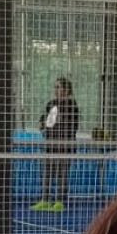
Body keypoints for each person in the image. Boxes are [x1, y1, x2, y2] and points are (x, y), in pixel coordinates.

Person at [33, 76, 80, 212]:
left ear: (66, 90)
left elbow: (70, 125)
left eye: (58, 87)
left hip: (64, 145)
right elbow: (45, 121)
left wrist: (56, 124)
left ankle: (60, 201)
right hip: (50, 144)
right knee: (47, 172)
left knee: (62, 173)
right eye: (55, 87)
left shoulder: (71, 105)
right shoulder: (51, 104)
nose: (56, 90)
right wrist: (42, 124)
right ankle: (45, 200)